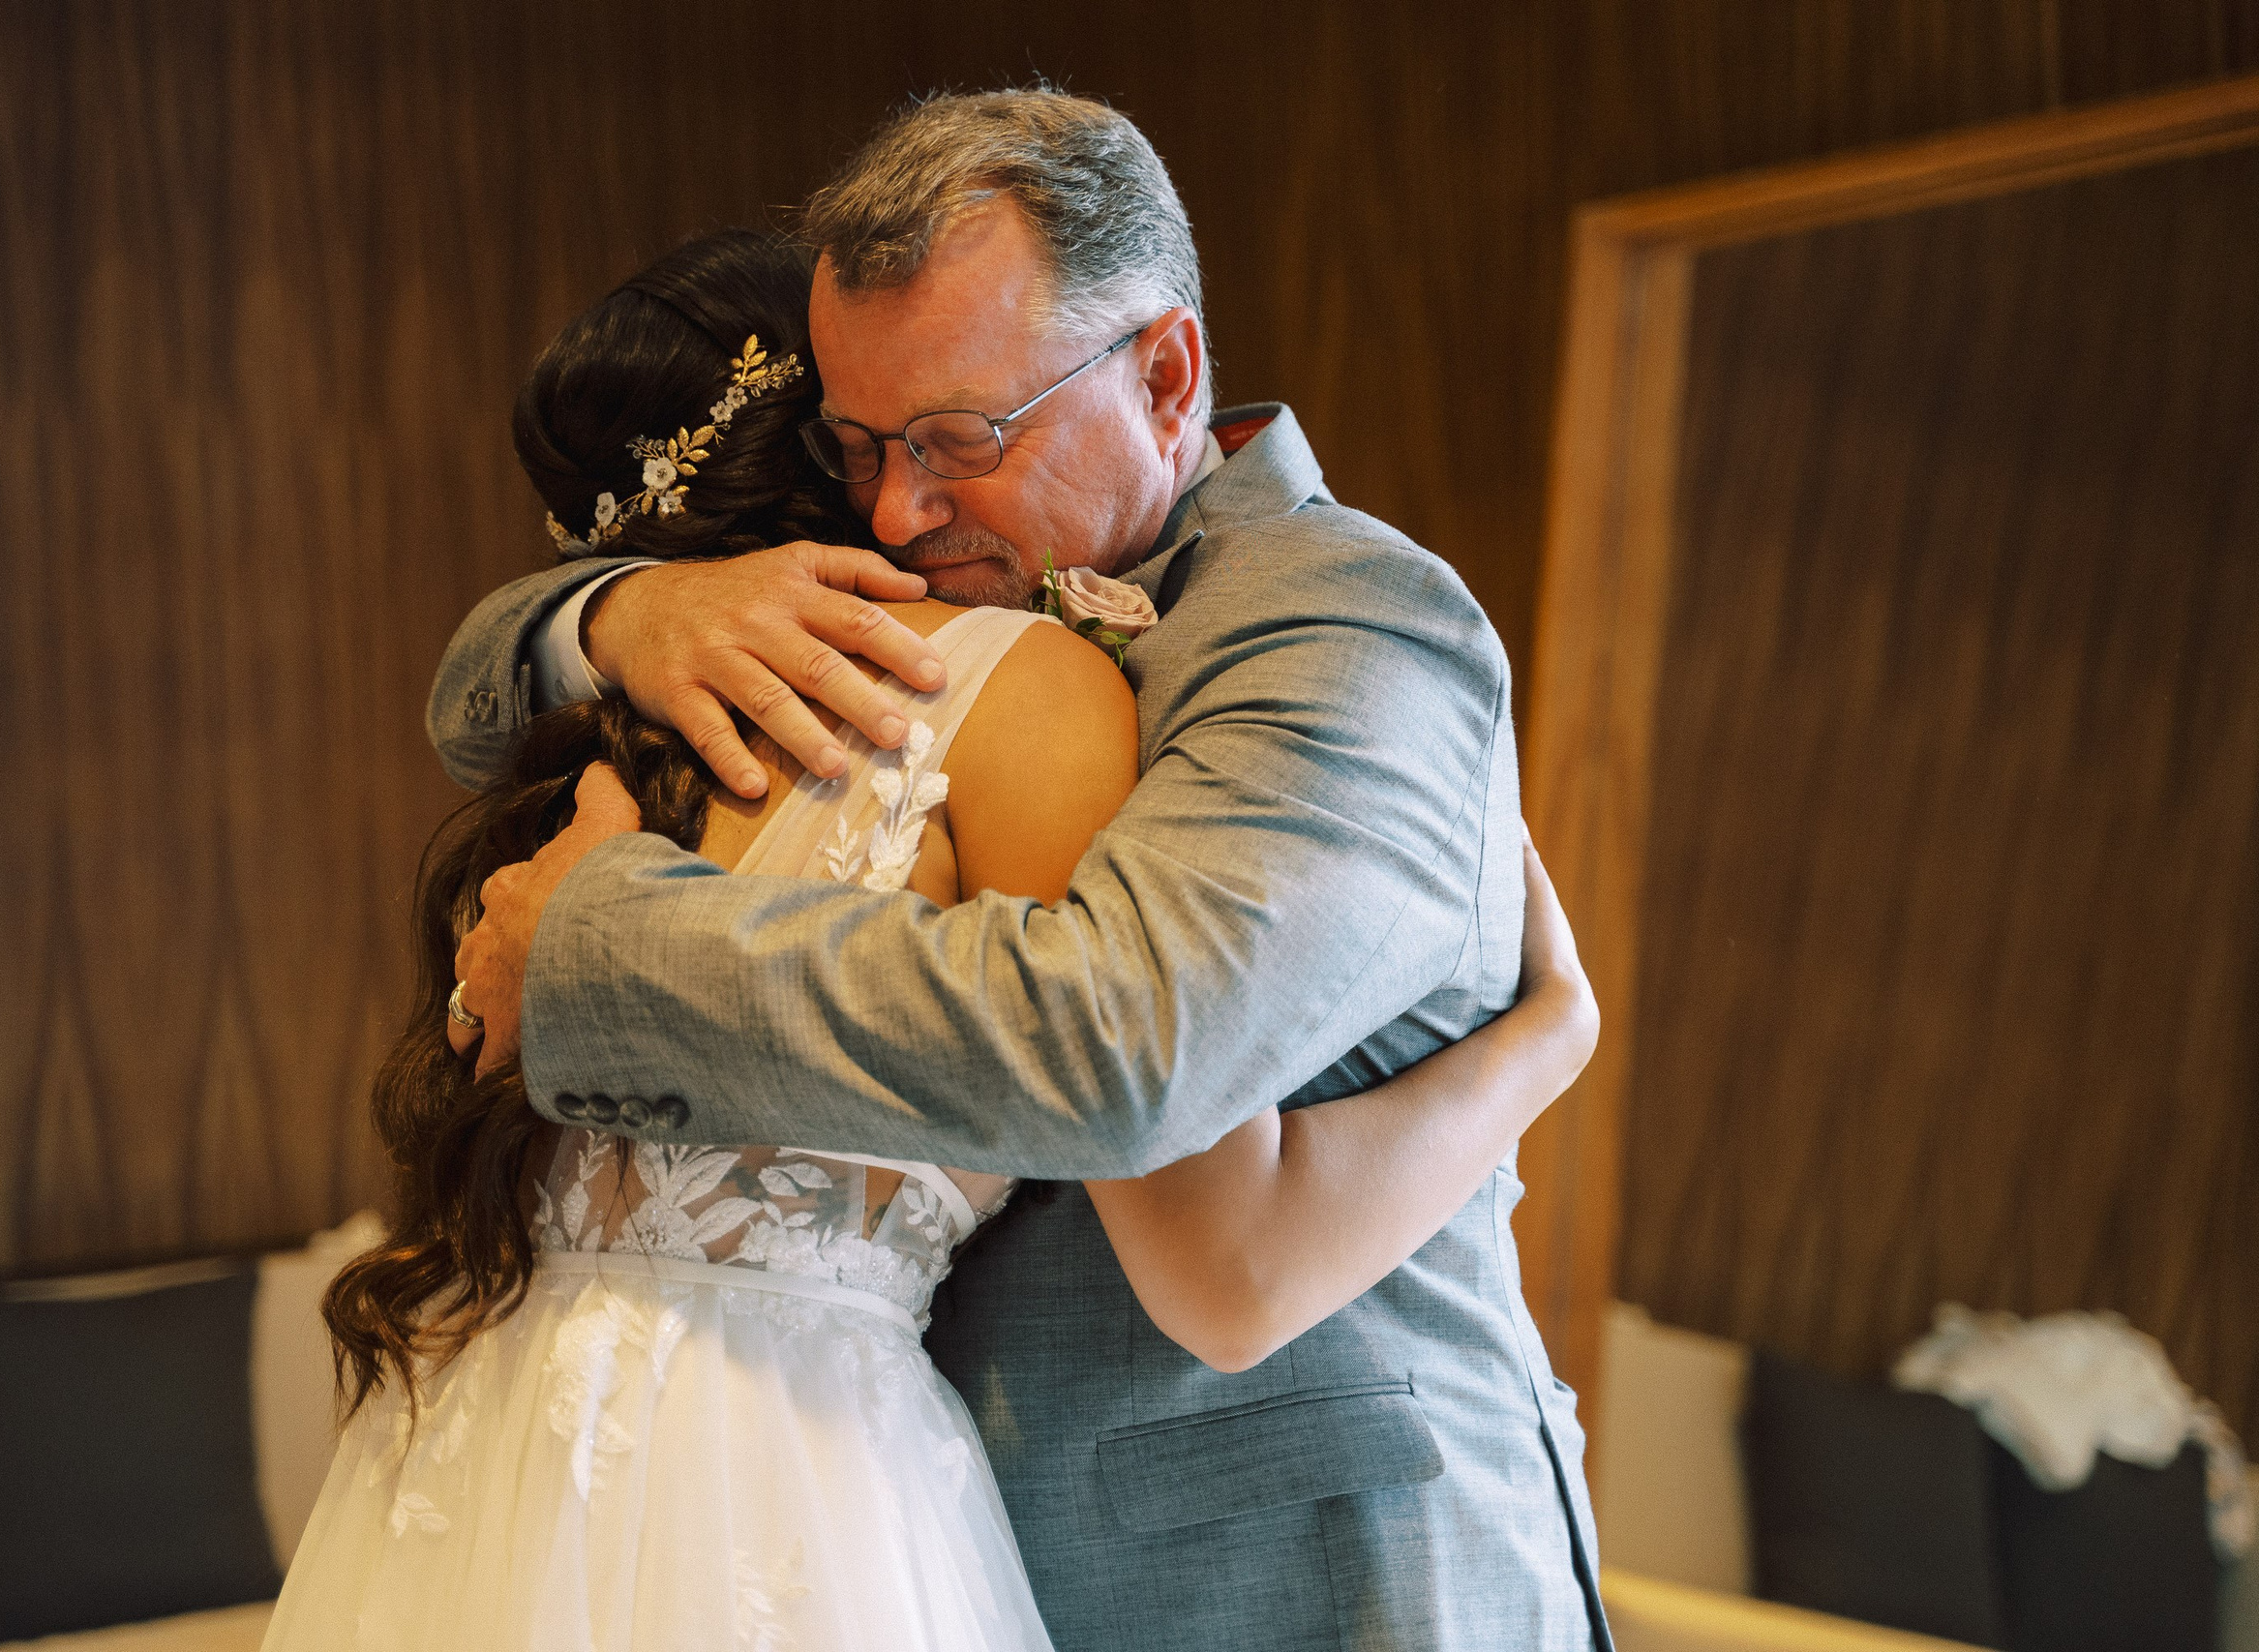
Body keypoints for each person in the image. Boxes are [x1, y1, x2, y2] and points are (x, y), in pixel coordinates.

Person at [271, 227, 1597, 1649]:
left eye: (956, 435)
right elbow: (1186, 1197)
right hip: (816, 1490)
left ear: (1163, 375)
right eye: (871, 445)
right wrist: (1550, 1036)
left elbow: (1124, 1056)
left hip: (525, 1469)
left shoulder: (1336, 611)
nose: (908, 504)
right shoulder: (978, 685)